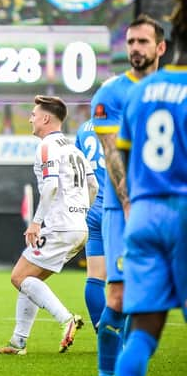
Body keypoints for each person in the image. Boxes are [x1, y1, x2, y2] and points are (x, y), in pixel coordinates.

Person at [114, 0, 187, 376]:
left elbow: (123, 155)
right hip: (182, 210)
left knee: (142, 331)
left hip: (142, 215)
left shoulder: (143, 91)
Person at [90, 14, 166, 376]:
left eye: (143, 42)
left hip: (165, 208)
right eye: (131, 42)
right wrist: (130, 205)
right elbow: (113, 156)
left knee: (148, 303)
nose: (135, 48)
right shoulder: (111, 94)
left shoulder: (173, 92)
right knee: (118, 298)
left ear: (160, 48)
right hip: (123, 210)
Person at [0, 95, 98, 355]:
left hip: (60, 225)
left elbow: (50, 185)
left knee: (19, 277)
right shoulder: (74, 149)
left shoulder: (47, 146)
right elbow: (93, 186)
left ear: (46, 118)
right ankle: (18, 343)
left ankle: (66, 319)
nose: (30, 118)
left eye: (34, 115)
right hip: (78, 226)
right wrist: (82, 212)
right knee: (30, 281)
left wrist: (36, 223)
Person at [75, 119, 106, 331]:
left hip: (92, 209)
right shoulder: (129, 118)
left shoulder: (84, 128)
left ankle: (104, 334)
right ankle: (130, 338)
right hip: (120, 208)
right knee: (131, 278)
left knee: (94, 278)